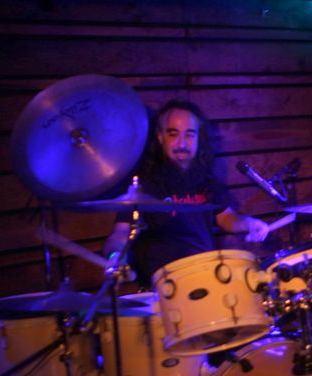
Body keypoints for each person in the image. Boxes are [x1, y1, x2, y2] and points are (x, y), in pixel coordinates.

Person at [103, 99, 269, 287]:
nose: (182, 143)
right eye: (173, 134)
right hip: (163, 287)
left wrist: (248, 223)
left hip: (207, 278)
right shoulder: (144, 185)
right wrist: (115, 255)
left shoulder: (206, 180)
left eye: (190, 134)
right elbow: (121, 233)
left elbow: (226, 218)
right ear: (160, 137)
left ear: (198, 138)